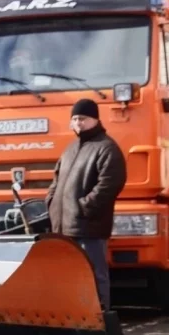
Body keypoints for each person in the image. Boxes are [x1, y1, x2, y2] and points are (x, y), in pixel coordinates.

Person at [45, 99, 127, 311]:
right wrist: (51, 201)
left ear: (95, 119)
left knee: (94, 272)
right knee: (68, 275)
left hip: (89, 226)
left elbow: (110, 183)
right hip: (64, 227)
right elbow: (56, 180)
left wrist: (84, 207)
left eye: (83, 118)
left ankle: (100, 317)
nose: (78, 123)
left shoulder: (106, 148)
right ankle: (75, 317)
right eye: (74, 119)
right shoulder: (70, 149)